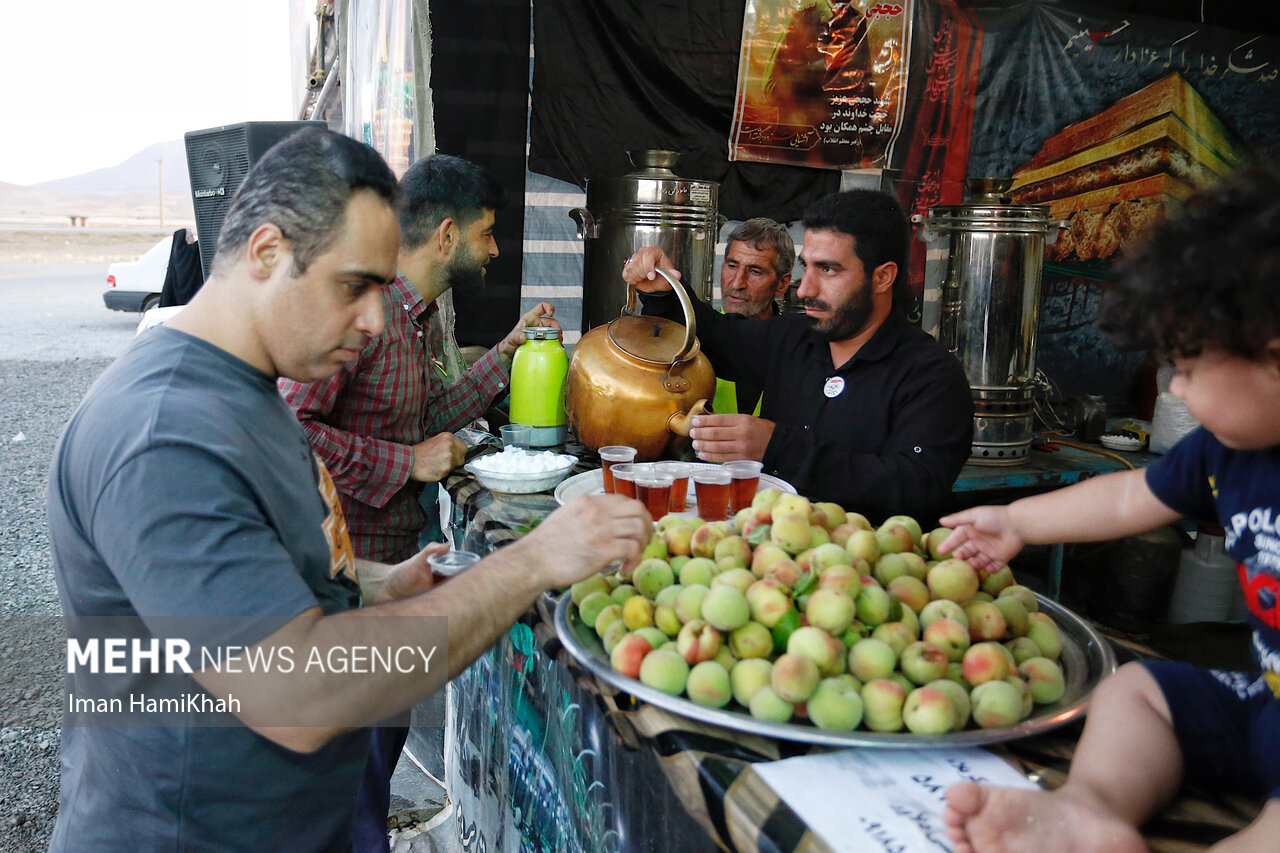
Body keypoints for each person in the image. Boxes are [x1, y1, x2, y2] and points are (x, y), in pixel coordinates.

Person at [46, 127, 652, 852]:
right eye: (353, 285)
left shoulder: (249, 392)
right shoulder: (166, 431)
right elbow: (294, 689)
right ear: (267, 252)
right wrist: (529, 563)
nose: (374, 318)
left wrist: (375, 583)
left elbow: (262, 566)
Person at [937, 167, 1280, 853]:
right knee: (1139, 691)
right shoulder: (1229, 449)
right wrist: (1019, 521)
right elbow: (1130, 494)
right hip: (1264, 706)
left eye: (1185, 367)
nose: (1174, 387)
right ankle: (1089, 808)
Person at [279, 152, 560, 852]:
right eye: (488, 234)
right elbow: (292, 428)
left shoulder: (421, 315)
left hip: (396, 557)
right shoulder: (366, 315)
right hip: (353, 568)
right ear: (445, 235)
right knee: (353, 759)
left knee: (379, 741)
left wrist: (509, 348)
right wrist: (406, 461)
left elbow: (433, 409)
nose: (494, 250)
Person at [623, 189, 973, 526]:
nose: (805, 289)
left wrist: (777, 447)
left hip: (864, 572)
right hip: (767, 554)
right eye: (808, 267)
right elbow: (713, 336)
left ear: (883, 276)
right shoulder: (793, 338)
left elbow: (917, 487)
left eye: (829, 270)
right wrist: (666, 293)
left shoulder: (930, 374)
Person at [712, 217, 795, 416]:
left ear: (782, 284)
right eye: (732, 266)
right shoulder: (695, 341)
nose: (737, 283)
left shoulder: (797, 348)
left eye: (755, 271)